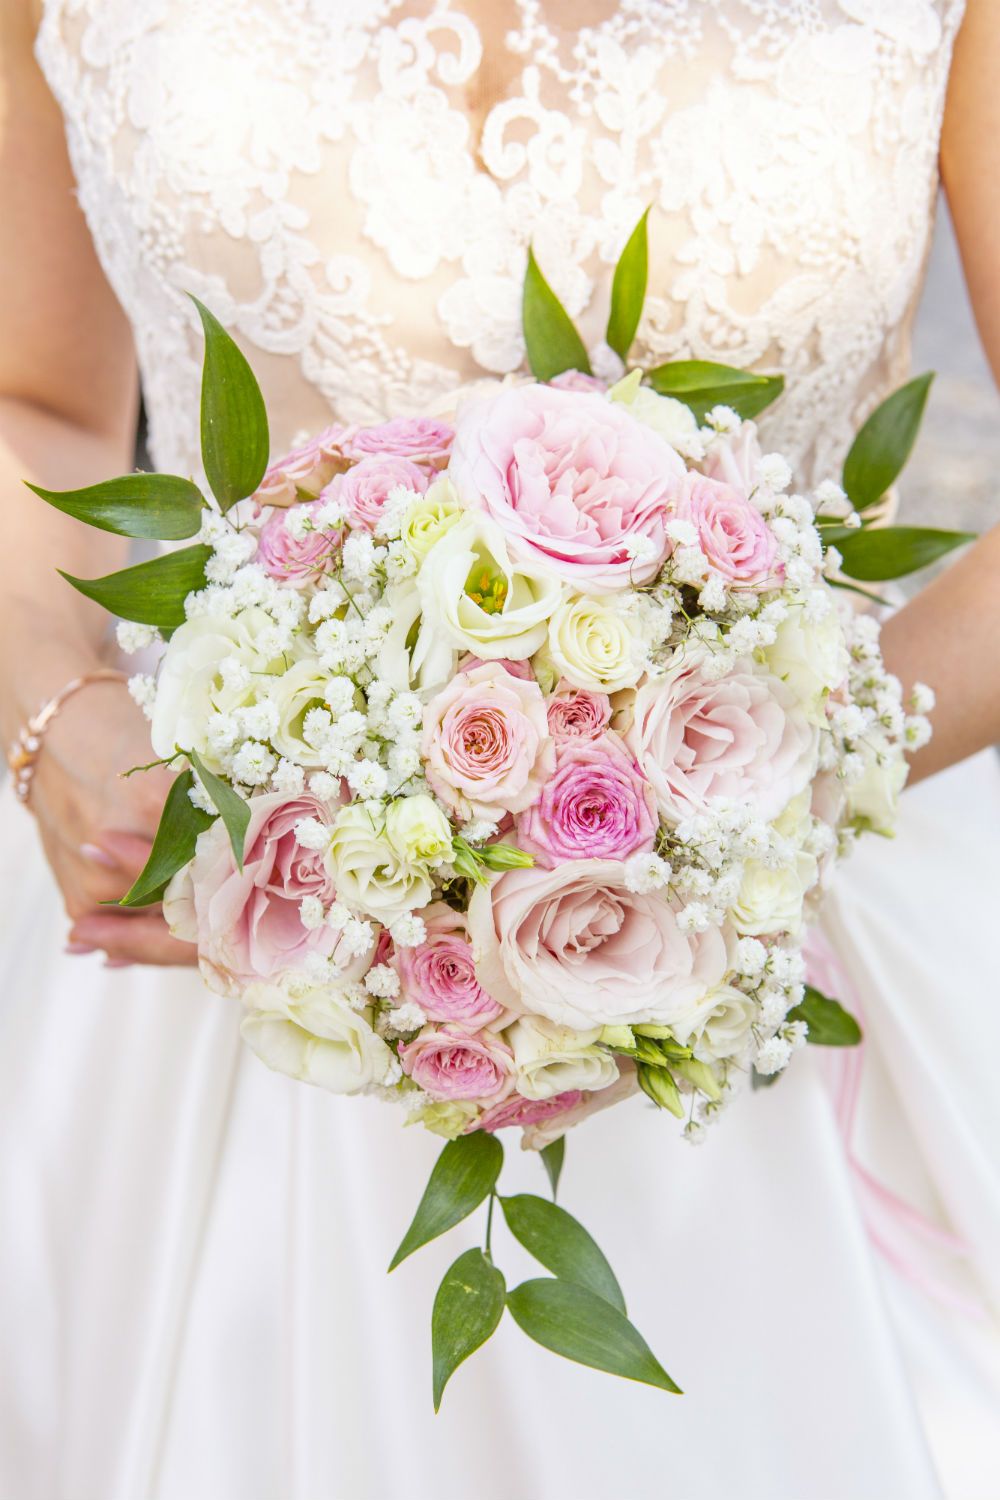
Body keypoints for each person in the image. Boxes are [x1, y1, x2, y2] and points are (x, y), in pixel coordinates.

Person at [0, 2, 997, 1496]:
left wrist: (739, 799)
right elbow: (39, 408)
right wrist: (50, 705)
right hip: (207, 930)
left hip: (782, 944)